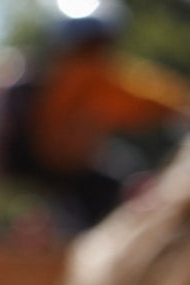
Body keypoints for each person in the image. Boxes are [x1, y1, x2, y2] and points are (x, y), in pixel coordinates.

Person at [27, 13, 189, 231]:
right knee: (130, 176)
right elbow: (144, 96)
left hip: (54, 163)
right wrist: (181, 105)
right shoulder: (91, 73)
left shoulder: (60, 72)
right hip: (73, 163)